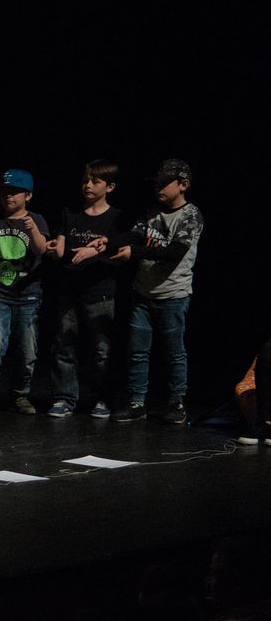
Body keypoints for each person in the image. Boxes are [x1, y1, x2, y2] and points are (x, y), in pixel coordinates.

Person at [111, 159, 203, 424]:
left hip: (173, 295)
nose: (158, 188)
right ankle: (137, 402)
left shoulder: (191, 215)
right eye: (156, 184)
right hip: (143, 293)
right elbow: (135, 236)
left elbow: (174, 251)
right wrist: (107, 242)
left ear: (183, 185)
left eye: (164, 183)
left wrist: (134, 252)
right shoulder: (152, 212)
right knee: (137, 352)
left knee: (174, 353)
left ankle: (177, 403)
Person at [45, 160, 131, 419]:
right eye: (85, 180)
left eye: (95, 181)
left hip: (100, 291)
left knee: (102, 350)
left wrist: (95, 251)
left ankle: (102, 398)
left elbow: (121, 254)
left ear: (110, 187)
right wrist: (53, 249)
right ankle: (64, 397)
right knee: (64, 346)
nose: (88, 185)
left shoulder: (117, 218)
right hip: (69, 290)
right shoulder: (70, 213)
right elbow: (60, 249)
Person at [0, 170, 54, 419]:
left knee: (27, 352)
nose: (9, 196)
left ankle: (19, 394)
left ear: (28, 195)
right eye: (5, 191)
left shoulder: (36, 219)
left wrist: (33, 229)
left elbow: (41, 249)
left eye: (15, 192)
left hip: (28, 296)